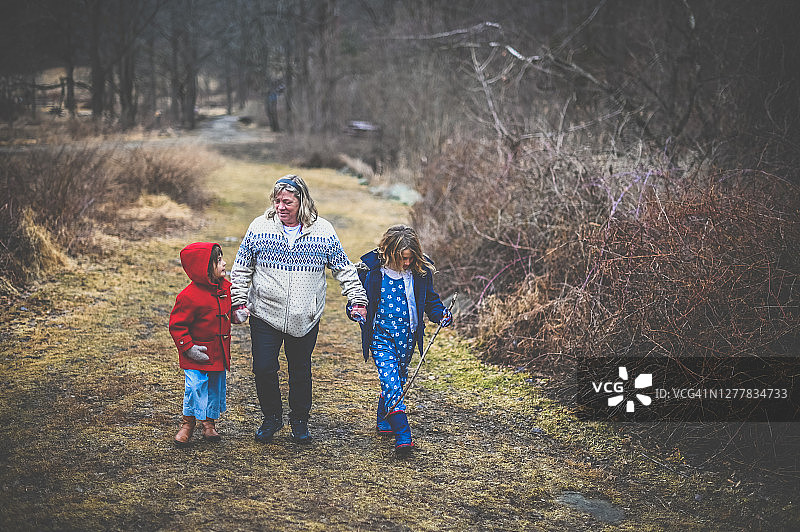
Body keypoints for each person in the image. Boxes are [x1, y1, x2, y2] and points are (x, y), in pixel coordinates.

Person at [231, 175, 367, 444]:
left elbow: (343, 268)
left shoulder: (323, 231)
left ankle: (299, 421)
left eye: (287, 202)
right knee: (263, 368)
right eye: (277, 201)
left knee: (300, 371)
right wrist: (238, 301)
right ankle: (271, 418)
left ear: (302, 201)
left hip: (305, 316)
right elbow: (242, 267)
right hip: (265, 313)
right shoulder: (259, 227)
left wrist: (357, 299)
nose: (280, 207)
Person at [347, 224, 452, 453]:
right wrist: (355, 310)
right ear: (389, 253)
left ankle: (384, 419)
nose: (406, 263)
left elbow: (430, 300)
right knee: (390, 379)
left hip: (407, 336)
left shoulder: (419, 272)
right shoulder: (372, 272)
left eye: (410, 258)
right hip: (380, 336)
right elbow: (356, 299)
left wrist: (440, 314)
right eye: (402, 258)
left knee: (398, 378)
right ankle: (404, 435)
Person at [170, 242, 244, 447]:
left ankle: (209, 424)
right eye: (218, 261)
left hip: (217, 352)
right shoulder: (188, 296)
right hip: (196, 353)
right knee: (194, 388)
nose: (224, 263)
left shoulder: (225, 289)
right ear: (203, 267)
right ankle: (188, 424)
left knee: (213, 388)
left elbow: (227, 312)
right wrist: (189, 348)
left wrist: (235, 315)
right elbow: (177, 326)